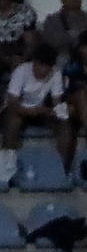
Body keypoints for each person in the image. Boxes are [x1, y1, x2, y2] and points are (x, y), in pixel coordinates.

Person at [3, 43, 73, 171]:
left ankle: (62, 168)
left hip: (39, 110)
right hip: (18, 109)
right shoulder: (21, 71)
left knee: (64, 125)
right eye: (40, 66)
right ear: (34, 62)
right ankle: (6, 166)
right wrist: (30, 111)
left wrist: (59, 111)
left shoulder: (55, 73)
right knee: (13, 122)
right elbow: (13, 102)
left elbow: (57, 100)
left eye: (47, 67)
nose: (43, 71)